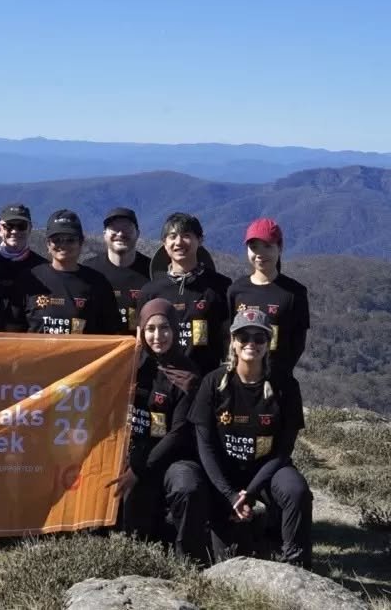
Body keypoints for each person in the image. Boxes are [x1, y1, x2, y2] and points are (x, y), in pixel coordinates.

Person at [189, 308, 312, 568]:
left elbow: (283, 450)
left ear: (269, 343)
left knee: (296, 490)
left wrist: (251, 491)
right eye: (243, 337)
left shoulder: (285, 386)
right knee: (227, 557)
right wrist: (231, 495)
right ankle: (256, 528)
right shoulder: (213, 382)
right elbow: (206, 446)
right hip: (225, 474)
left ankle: (297, 565)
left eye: (259, 338)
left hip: (267, 472)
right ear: (233, 341)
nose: (251, 344)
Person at [109, 298, 209, 565]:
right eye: (150, 329)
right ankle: (136, 559)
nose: (158, 336)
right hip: (138, 451)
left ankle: (188, 562)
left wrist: (138, 470)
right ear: (141, 330)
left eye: (164, 328)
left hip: (175, 457)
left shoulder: (189, 375)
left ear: (175, 330)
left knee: (187, 487)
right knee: (129, 504)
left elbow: (177, 433)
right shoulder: (133, 367)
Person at [138, 213, 232, 373]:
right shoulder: (150, 291)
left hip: (205, 381)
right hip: (160, 381)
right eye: (172, 236)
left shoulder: (220, 286)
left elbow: (228, 341)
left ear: (200, 240)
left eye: (186, 236)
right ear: (164, 243)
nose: (179, 242)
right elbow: (140, 343)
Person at [9, 210, 121, 334]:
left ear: (81, 242)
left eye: (70, 240)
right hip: (37, 353)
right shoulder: (29, 279)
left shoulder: (98, 283)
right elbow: (13, 330)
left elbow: (111, 333)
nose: (63, 245)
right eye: (57, 240)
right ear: (48, 243)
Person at [227, 218, 310, 377]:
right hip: (241, 380)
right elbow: (229, 336)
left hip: (279, 381)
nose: (260, 254)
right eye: (254, 247)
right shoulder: (236, 290)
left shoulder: (294, 293)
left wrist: (280, 374)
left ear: (280, 247)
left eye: (267, 246)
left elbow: (297, 343)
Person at [82, 207, 151, 335]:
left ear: (138, 234)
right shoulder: (88, 270)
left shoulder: (152, 271)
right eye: (114, 228)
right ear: (104, 234)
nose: (120, 234)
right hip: (102, 352)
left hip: (141, 352)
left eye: (126, 228)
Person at [0, 204, 47, 329]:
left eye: (21, 226)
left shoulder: (43, 268)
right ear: (0, 229)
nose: (15, 231)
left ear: (30, 228)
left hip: (27, 343)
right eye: (9, 226)